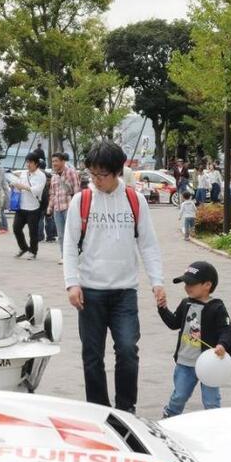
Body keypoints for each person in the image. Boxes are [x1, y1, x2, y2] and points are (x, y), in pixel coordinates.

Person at [62, 140, 165, 413]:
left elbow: (148, 244)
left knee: (128, 351)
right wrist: (72, 283)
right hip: (90, 292)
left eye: (102, 175)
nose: (95, 180)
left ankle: (125, 409)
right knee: (92, 356)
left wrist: (157, 281)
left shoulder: (134, 200)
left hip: (124, 292)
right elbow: (69, 245)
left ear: (118, 171)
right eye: (92, 174)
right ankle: (98, 410)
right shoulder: (81, 201)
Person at [159, 261, 231, 417]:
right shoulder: (185, 303)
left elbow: (227, 330)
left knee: (211, 400)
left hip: (209, 364)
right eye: (185, 283)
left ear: (207, 285)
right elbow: (174, 323)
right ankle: (169, 417)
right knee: (179, 396)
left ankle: (214, 423)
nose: (187, 287)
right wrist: (162, 308)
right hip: (185, 362)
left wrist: (222, 345)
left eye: (191, 284)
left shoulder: (217, 307)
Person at [11, 153, 46, 259]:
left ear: (36, 163)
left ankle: (33, 251)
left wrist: (24, 187)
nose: (28, 164)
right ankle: (23, 247)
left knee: (33, 232)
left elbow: (37, 190)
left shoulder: (41, 175)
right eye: (27, 162)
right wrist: (15, 185)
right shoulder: (24, 173)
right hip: (21, 206)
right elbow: (18, 183)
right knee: (16, 228)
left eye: (30, 162)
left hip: (33, 207)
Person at [48, 152, 80, 265]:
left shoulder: (71, 172)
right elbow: (52, 193)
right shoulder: (54, 176)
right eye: (53, 161)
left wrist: (76, 207)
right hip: (57, 208)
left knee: (71, 233)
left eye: (56, 161)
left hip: (69, 207)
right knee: (61, 235)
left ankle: (74, 256)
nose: (54, 163)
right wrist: (50, 207)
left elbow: (76, 190)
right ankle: (63, 256)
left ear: (62, 161)